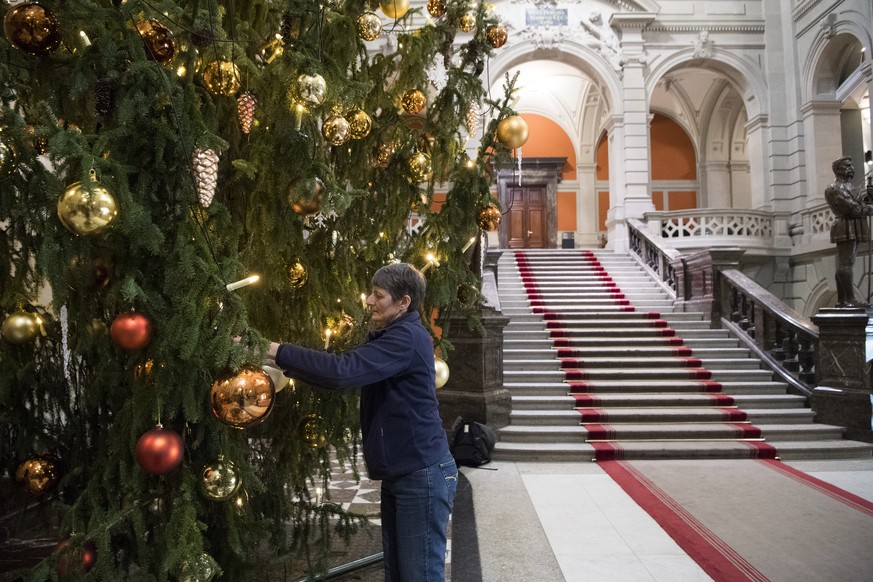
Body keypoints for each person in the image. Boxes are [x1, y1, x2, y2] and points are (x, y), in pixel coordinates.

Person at [261, 262, 457, 581]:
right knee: (400, 573)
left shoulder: (405, 337)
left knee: (417, 575)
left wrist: (274, 350)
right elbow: (341, 374)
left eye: (378, 295)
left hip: (422, 473)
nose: (368, 300)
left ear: (403, 302)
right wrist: (276, 359)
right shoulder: (393, 334)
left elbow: (342, 371)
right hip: (408, 470)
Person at [824, 155, 873, 307]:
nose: (851, 168)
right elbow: (851, 208)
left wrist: (870, 196)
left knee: (847, 263)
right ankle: (848, 299)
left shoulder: (852, 188)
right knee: (845, 263)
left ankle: (843, 300)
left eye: (852, 165)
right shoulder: (833, 189)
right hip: (845, 225)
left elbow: (859, 204)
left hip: (855, 225)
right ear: (838, 169)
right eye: (847, 165)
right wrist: (870, 209)